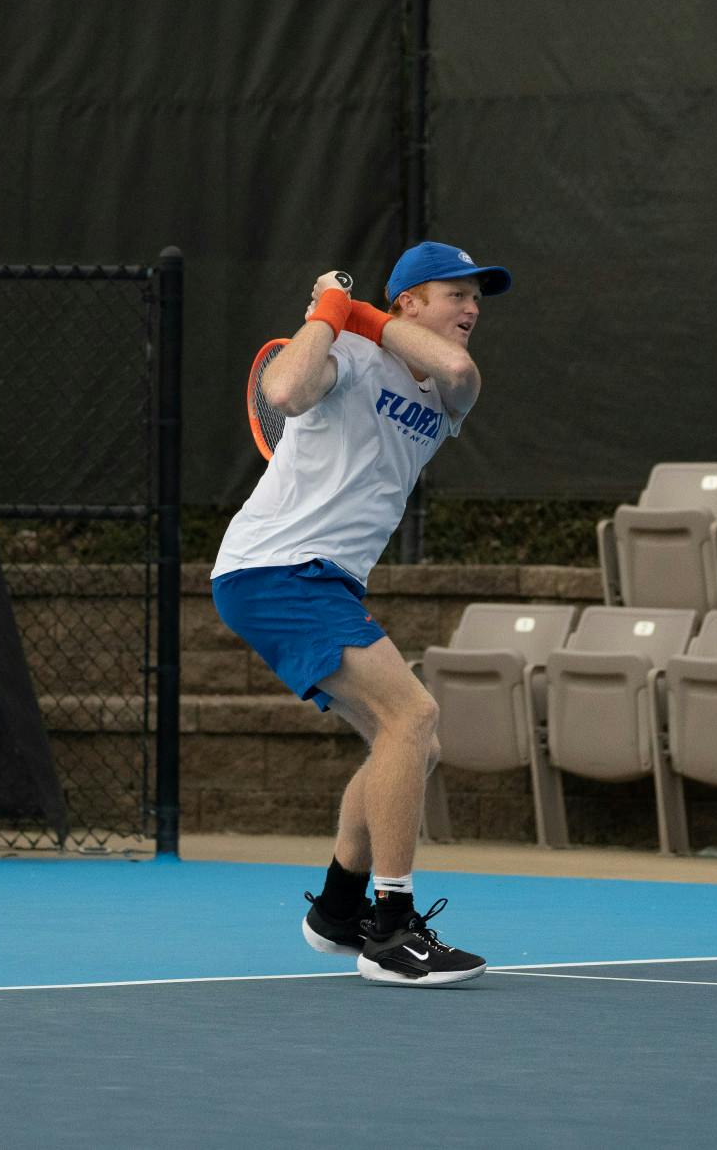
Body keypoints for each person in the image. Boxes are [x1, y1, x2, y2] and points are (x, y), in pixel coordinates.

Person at [211, 241, 513, 985]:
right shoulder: (343, 349)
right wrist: (326, 313)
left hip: (324, 581)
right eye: (455, 294)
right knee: (412, 715)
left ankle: (339, 911)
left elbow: (459, 371)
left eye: (478, 298)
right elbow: (282, 391)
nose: (472, 309)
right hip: (276, 568)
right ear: (411, 300)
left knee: (408, 741)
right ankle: (392, 929)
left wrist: (352, 304)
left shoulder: (446, 393)